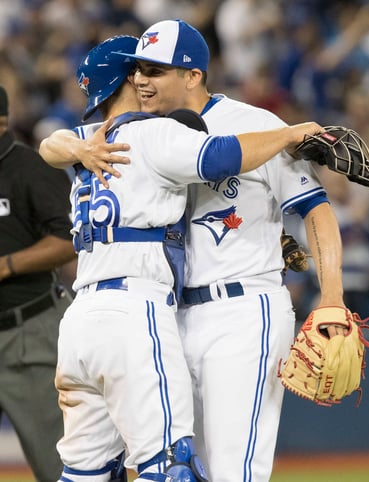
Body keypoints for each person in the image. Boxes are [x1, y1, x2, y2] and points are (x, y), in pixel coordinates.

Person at [39, 35, 325, 482]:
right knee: (170, 467)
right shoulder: (153, 133)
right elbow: (221, 155)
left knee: (84, 473)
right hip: (134, 312)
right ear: (127, 80)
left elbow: (48, 144)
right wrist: (291, 132)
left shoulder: (87, 142)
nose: (145, 78)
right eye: (139, 71)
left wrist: (73, 148)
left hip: (79, 323)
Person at [115, 19, 347, 482]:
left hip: (241, 311)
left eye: (155, 70)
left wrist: (333, 297)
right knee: (178, 471)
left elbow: (314, 210)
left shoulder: (256, 125)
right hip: (167, 318)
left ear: (193, 75)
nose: (141, 80)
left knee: (232, 472)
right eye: (138, 69)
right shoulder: (141, 135)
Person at [0, 85, 76, 482]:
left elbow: (70, 241)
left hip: (29, 330)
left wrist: (7, 265)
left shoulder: (30, 168)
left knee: (58, 465)